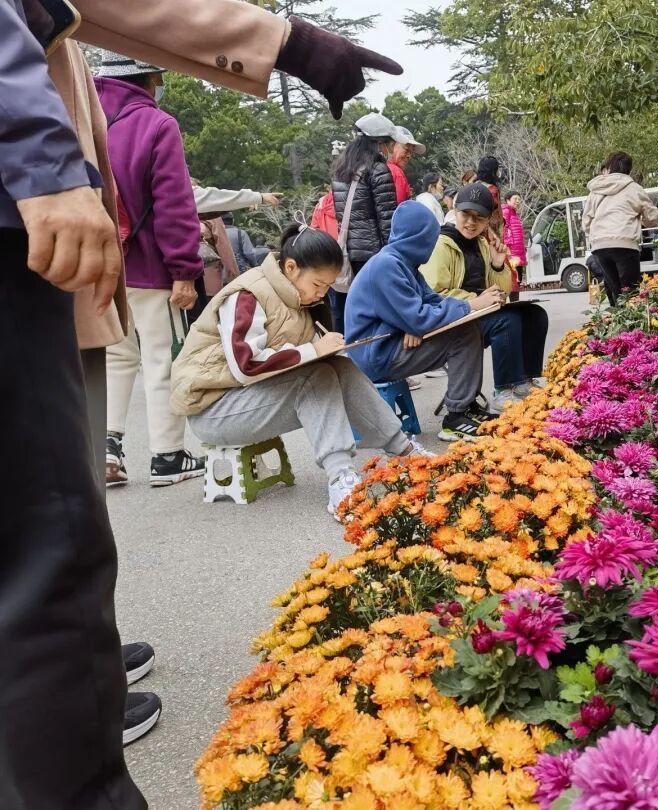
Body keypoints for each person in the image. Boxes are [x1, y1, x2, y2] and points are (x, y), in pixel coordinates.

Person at [1, 1, 401, 807]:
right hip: (76, 248)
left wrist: (285, 41)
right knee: (53, 534)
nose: (326, 291)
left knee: (90, 433)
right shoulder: (244, 275)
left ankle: (388, 452)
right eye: (320, 282)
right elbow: (235, 339)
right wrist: (41, 161)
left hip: (85, 251)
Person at [171, 224, 426, 517]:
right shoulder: (248, 294)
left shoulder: (299, 298)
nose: (322, 293)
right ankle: (341, 480)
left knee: (338, 367)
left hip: (246, 398)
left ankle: (404, 451)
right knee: (315, 378)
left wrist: (325, 349)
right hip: (213, 410)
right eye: (318, 285)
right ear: (291, 267)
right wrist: (313, 350)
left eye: (328, 287)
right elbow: (245, 367)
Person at [95, 54, 207, 488]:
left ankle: (106, 448)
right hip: (149, 266)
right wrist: (184, 269)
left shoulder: (81, 114)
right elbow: (174, 206)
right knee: (161, 359)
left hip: (100, 264)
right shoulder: (156, 124)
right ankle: (166, 456)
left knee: (115, 357)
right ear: (150, 78)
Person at [345, 201, 501, 442]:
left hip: (389, 345)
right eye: (430, 238)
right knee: (464, 333)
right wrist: (470, 305)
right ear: (418, 238)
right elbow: (418, 318)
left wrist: (412, 323)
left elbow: (431, 301)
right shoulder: (387, 266)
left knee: (467, 328)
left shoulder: (404, 263)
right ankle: (457, 416)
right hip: (377, 356)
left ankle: (465, 406)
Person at [421, 183, 549, 412]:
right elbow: (433, 296)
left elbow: (501, 292)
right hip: (451, 322)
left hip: (478, 314)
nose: (471, 223)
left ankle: (523, 381)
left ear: (488, 220)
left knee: (534, 314)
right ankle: (504, 389)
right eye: (466, 215)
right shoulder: (440, 245)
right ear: (455, 212)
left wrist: (497, 265)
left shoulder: (482, 243)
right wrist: (476, 300)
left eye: (479, 218)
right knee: (506, 321)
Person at [328, 112, 399, 331]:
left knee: (359, 309)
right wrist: (396, 256)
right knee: (381, 311)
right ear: (379, 143)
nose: (389, 148)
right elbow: (387, 218)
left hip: (351, 253)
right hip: (375, 254)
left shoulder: (341, 170)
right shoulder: (377, 169)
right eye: (388, 142)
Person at [582, 151, 658, 306]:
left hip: (600, 245)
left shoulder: (596, 190)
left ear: (609, 167)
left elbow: (585, 223)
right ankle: (632, 327)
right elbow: (652, 217)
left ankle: (617, 323)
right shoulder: (634, 189)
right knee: (630, 292)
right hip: (625, 243)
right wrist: (642, 221)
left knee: (614, 289)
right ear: (628, 170)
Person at [388, 125, 426, 205]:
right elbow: (400, 210)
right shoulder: (396, 172)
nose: (409, 156)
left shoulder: (379, 167)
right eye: (406, 150)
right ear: (392, 145)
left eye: (411, 152)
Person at [475, 155, 504, 238]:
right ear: (493, 171)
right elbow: (497, 216)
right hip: (491, 234)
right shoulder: (493, 190)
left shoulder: (474, 187)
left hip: (476, 232)